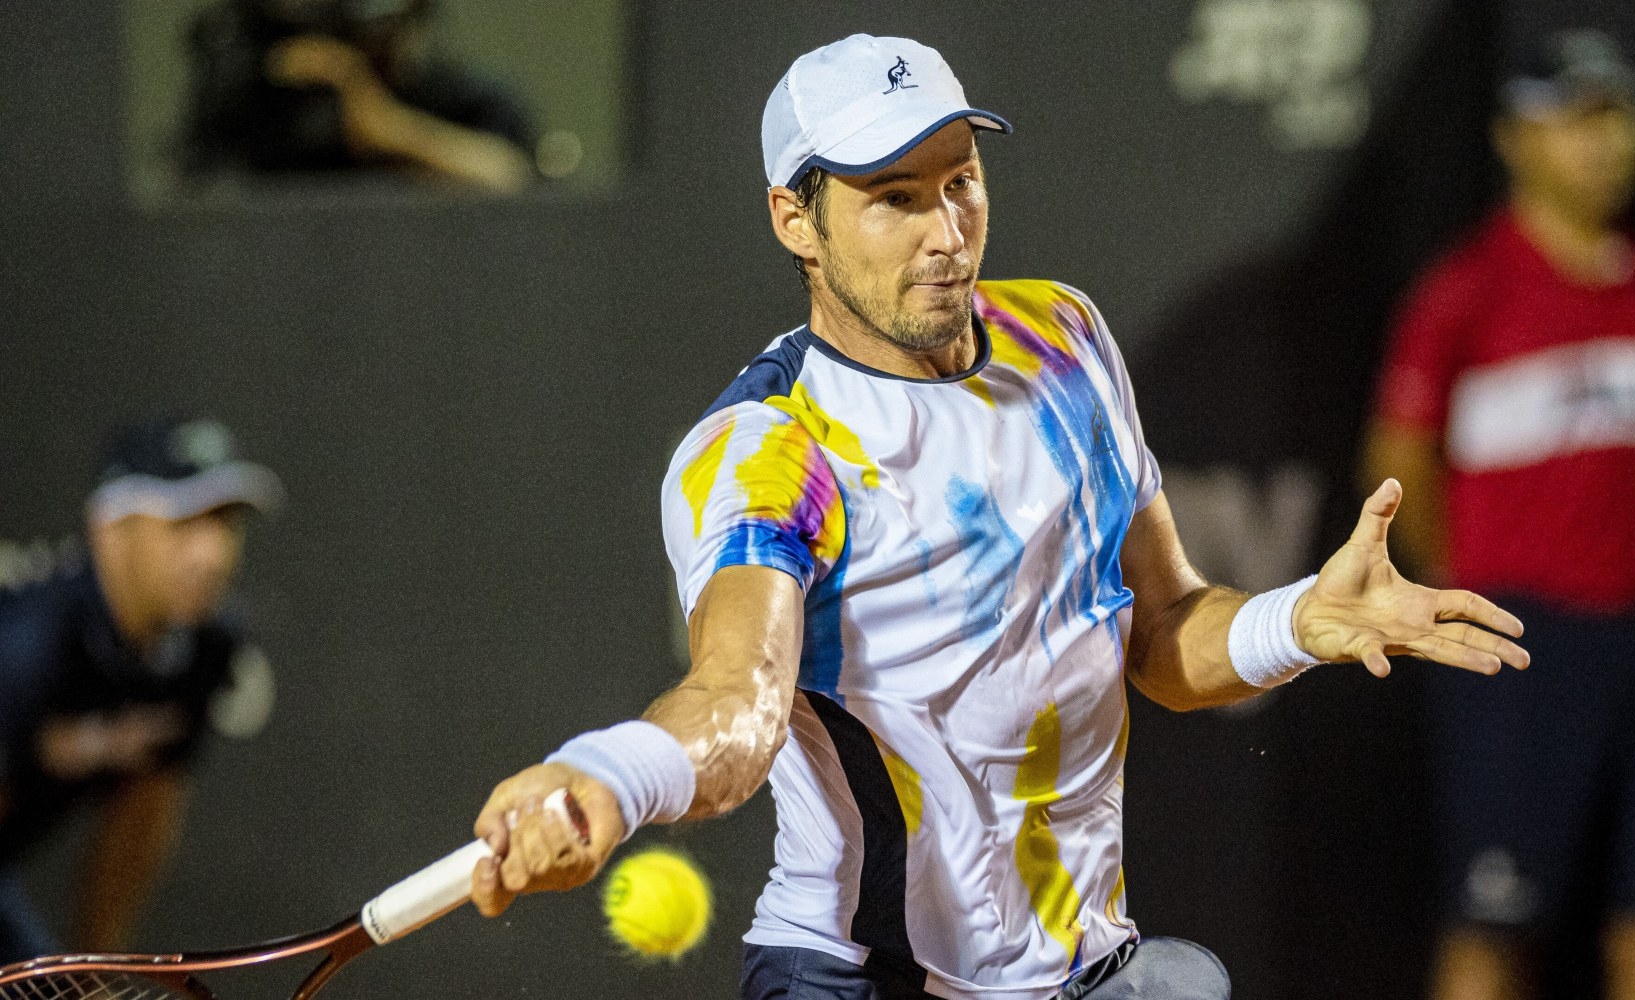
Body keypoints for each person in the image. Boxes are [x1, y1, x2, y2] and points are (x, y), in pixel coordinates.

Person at [466, 35, 1528, 1000]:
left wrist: (1294, 622)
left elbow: (1160, 638)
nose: (945, 233)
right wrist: (605, 776)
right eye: (893, 198)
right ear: (796, 218)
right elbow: (737, 706)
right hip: (859, 975)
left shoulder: (1063, 336)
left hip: (1080, 970)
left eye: (959, 182)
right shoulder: (763, 450)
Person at [1362, 30, 1635, 1000]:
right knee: (1493, 929)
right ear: (1515, 138)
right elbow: (1399, 461)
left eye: (1616, 116)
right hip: (1521, 649)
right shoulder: (1467, 290)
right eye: (1575, 120)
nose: (1605, 142)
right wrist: (1472, 598)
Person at [0, 417, 283, 964]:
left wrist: (97, 965)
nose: (211, 553)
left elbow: (144, 809)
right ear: (111, 529)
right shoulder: (25, 647)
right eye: (183, 522)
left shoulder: (205, 650)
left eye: (223, 522)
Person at [184, 0, 538, 193]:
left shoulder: (467, 98)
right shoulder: (285, 98)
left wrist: (393, 132)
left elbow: (510, 177)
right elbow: (202, 189)